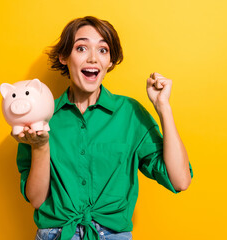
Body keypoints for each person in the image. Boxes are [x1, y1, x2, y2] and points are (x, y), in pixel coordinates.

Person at [11, 16, 193, 240]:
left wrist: (163, 108)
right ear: (64, 56)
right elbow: (37, 199)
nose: (93, 58)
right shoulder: (40, 117)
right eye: (81, 48)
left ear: (110, 61)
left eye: (103, 50)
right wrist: (40, 146)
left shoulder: (130, 113)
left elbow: (180, 180)